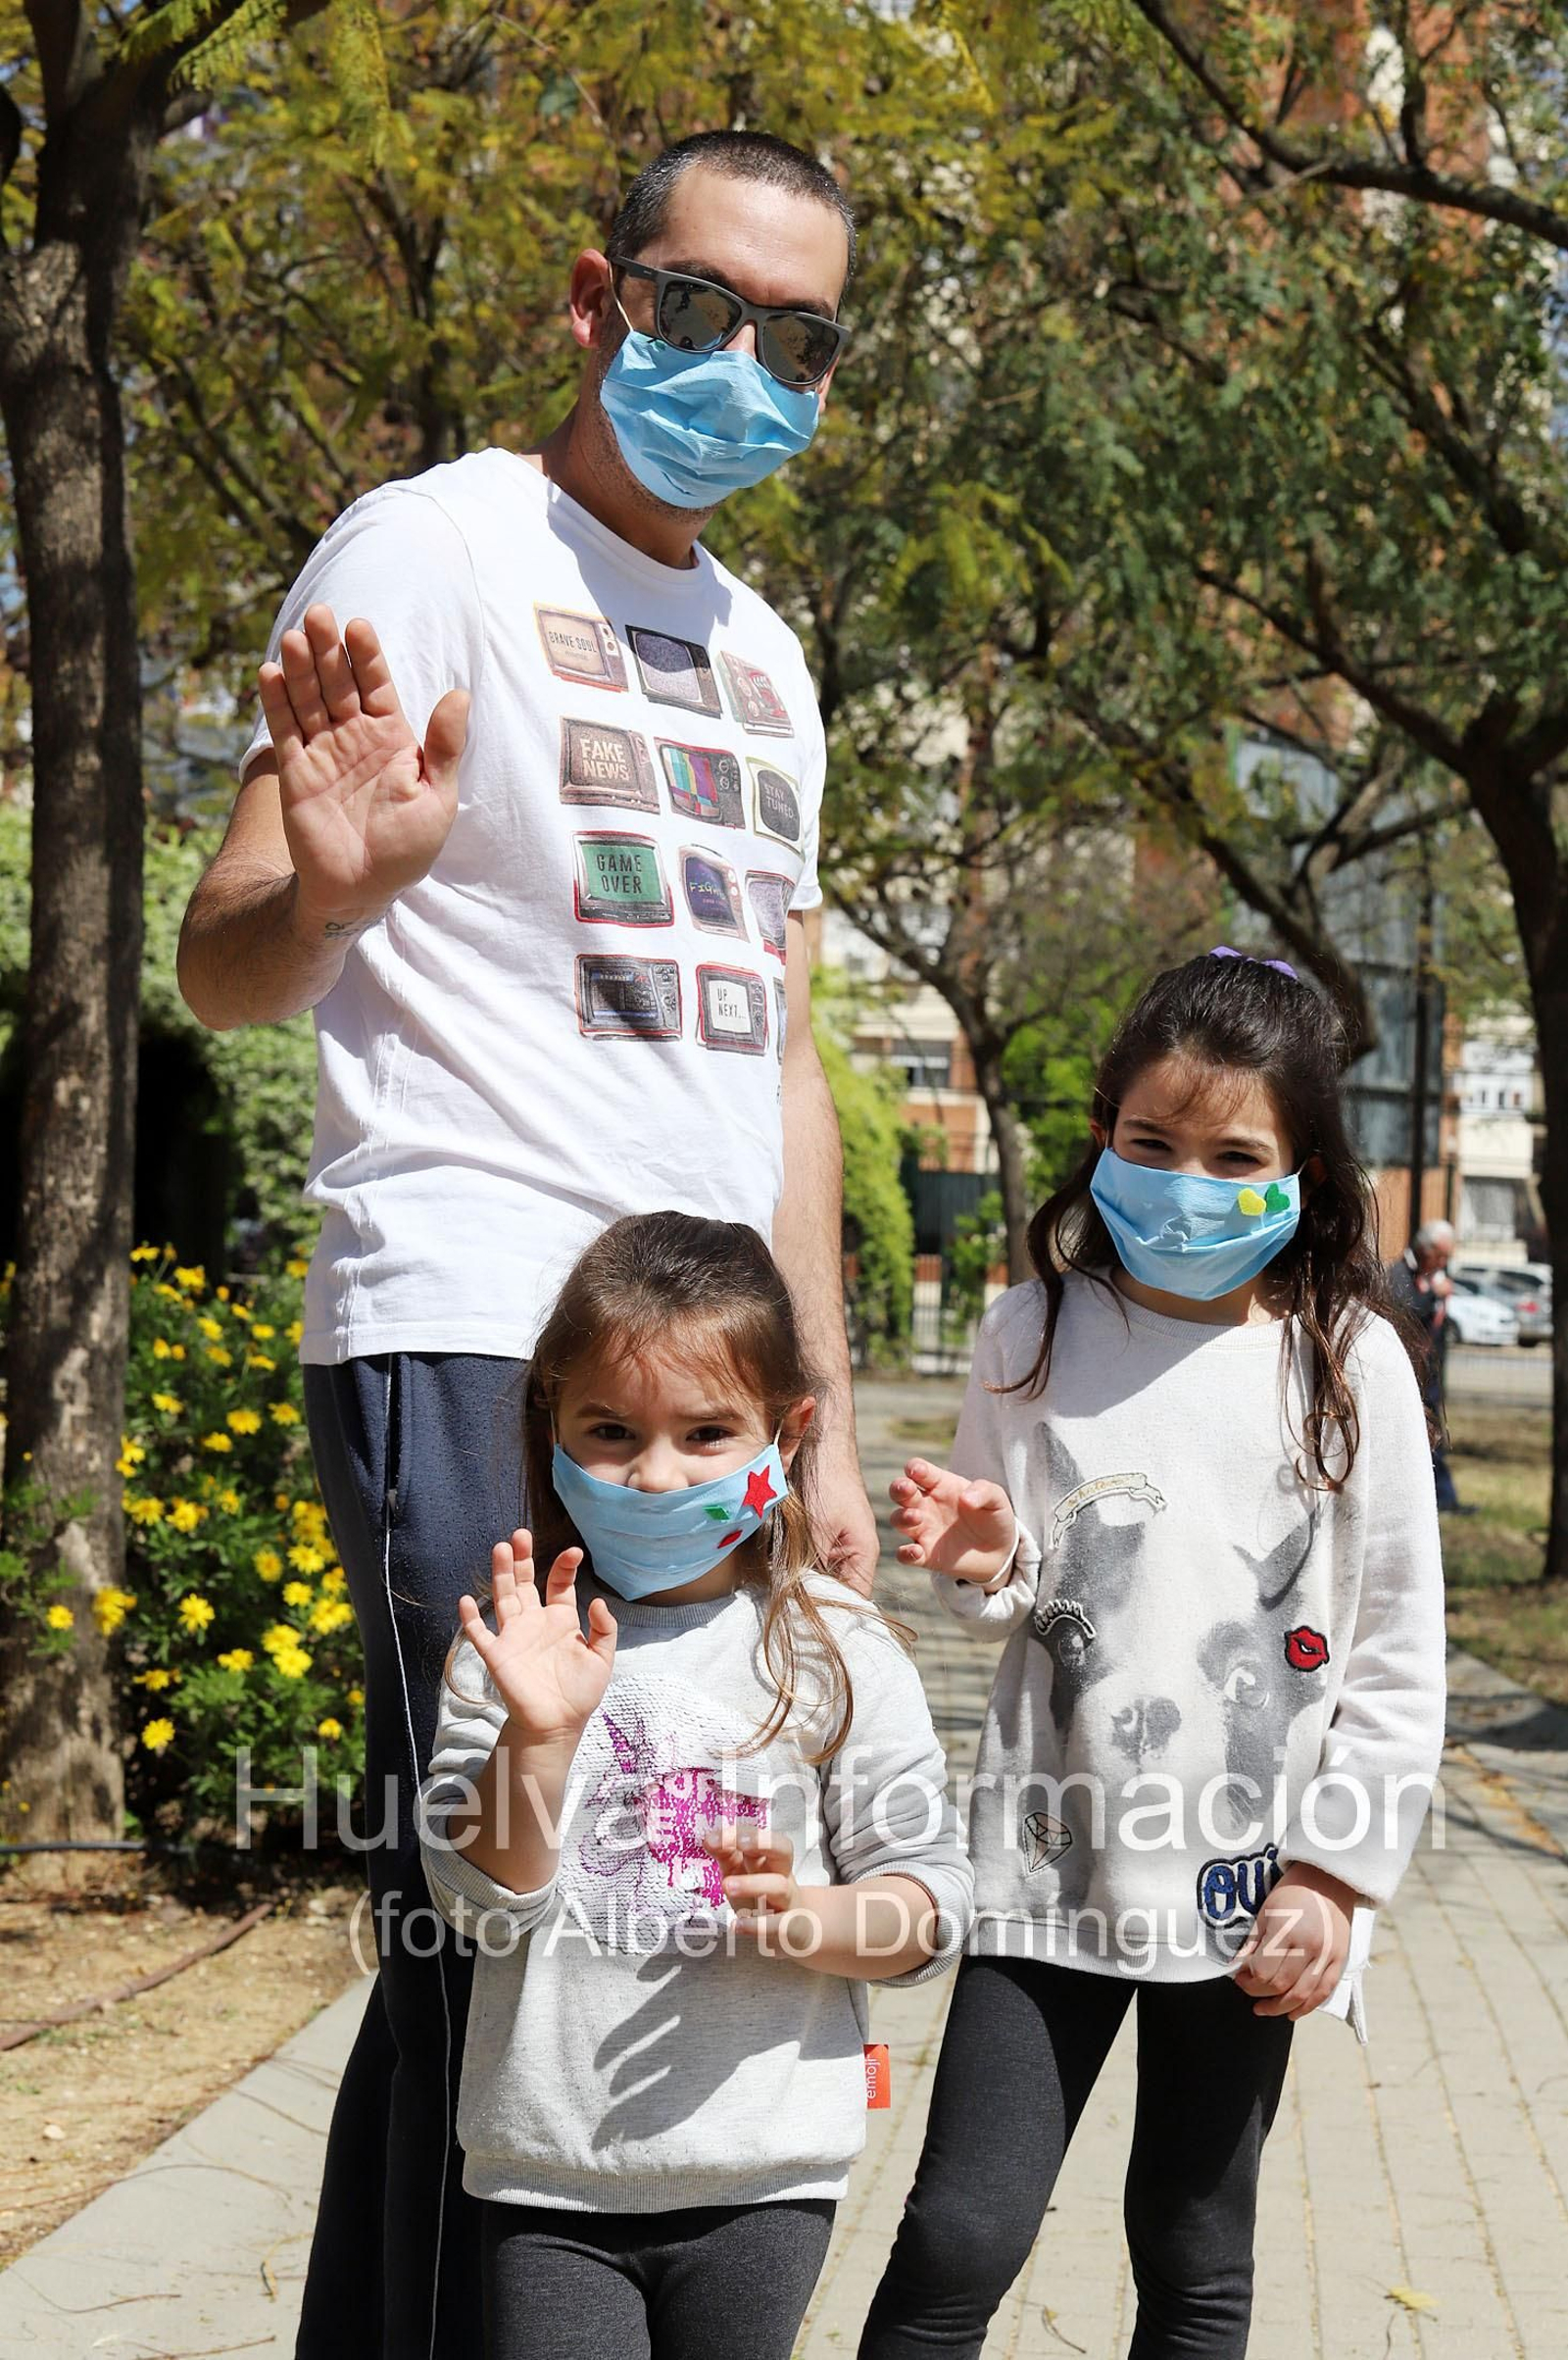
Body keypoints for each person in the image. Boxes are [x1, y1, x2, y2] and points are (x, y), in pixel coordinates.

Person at [174, 130, 878, 2360]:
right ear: (594, 298)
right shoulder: (436, 541)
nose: (738, 366)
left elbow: (777, 1068)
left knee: (607, 1915)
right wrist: (334, 887)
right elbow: (226, 959)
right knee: (484, 1911)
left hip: (699, 1394)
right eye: (694, 309)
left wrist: (822, 1428)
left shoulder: (772, 665)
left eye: (798, 341)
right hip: (473, 1326)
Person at [857, 948, 1447, 2360]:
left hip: (1254, 1897)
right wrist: (984, 1558)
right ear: (1104, 1132)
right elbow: (1007, 1598)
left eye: (1235, 1154)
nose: (1188, 1178)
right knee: (958, 2235)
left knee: (1193, 2250)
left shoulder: (1351, 1367)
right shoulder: (1030, 1330)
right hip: (1045, 1869)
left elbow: (1398, 1661)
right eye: (1152, 1142)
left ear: (1301, 1168)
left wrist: (1337, 1882)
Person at [417, 1211, 973, 2360]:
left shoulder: (837, 1644)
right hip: (551, 2179)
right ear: (552, 1426)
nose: (654, 1471)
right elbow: (478, 1902)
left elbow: (929, 1900)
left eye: (707, 1430)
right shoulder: (512, 1643)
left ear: (788, 1430)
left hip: (764, 2173)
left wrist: (815, 1915)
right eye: (611, 1430)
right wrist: (537, 1734)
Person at [1387, 1219, 1466, 1513]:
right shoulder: (1398, 1275)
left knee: (1434, 1436)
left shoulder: (1428, 1277)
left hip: (1428, 1374)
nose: (1444, 1263)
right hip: (1407, 1374)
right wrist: (1434, 1295)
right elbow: (1402, 1312)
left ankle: (1443, 1498)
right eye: (1441, 1255)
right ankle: (1437, 1498)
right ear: (1425, 1249)